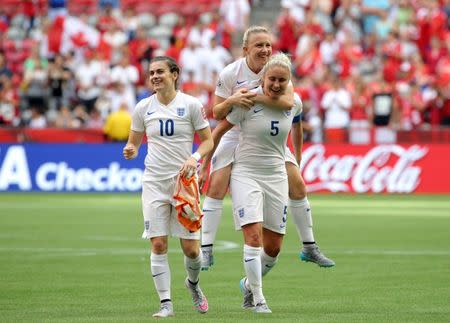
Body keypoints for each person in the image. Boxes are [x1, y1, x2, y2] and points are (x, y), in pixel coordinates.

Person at [199, 26, 335, 270]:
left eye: (268, 45)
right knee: (217, 184)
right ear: (245, 49)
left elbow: (287, 102)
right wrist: (232, 100)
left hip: (268, 133)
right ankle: (206, 249)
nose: (265, 50)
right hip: (235, 130)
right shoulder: (230, 73)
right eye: (259, 45)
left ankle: (309, 246)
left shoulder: (276, 70)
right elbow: (216, 113)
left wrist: (253, 95)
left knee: (298, 183)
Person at [207, 53, 302, 313]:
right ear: (264, 77)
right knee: (253, 236)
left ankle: (249, 284)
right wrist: (202, 160)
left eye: (282, 80)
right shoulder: (247, 101)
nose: (275, 84)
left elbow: (298, 125)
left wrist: (297, 160)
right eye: (271, 79)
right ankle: (258, 298)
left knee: (273, 248)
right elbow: (218, 129)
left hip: (275, 175)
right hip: (246, 172)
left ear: (289, 81)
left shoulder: (293, 102)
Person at [123, 56, 213, 318]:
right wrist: (130, 149)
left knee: (191, 250)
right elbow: (134, 142)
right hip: (153, 183)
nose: (154, 76)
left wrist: (194, 158)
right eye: (151, 73)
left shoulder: (191, 105)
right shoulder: (143, 108)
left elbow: (207, 142)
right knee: (159, 244)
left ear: (174, 74)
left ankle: (193, 284)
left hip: (184, 184)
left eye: (160, 71)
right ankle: (166, 304)